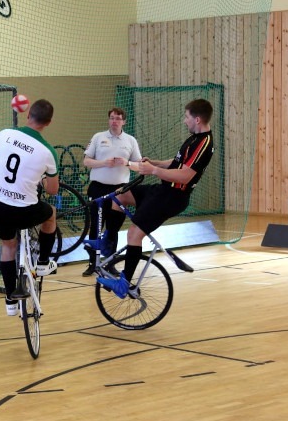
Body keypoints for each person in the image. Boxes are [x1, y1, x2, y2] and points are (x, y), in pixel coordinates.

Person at [103, 99, 215, 296]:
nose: (184, 121)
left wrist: (153, 170)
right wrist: (155, 163)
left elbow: (185, 175)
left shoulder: (204, 143)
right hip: (163, 190)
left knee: (134, 234)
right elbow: (176, 162)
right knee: (120, 195)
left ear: (197, 119)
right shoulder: (194, 138)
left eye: (187, 117)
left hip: (173, 197)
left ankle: (125, 283)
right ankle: (107, 243)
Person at [0, 99, 60, 316]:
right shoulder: (47, 152)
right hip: (25, 211)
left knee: (8, 247)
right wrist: (40, 180)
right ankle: (43, 262)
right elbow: (52, 190)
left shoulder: (4, 134)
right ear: (48, 123)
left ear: (28, 115)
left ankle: (10, 300)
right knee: (50, 214)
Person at [81, 107, 142, 276]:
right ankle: (93, 262)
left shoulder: (130, 141)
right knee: (96, 225)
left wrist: (126, 162)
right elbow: (86, 161)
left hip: (120, 191)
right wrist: (103, 163)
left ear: (124, 121)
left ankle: (110, 263)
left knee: (113, 227)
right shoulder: (98, 137)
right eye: (112, 118)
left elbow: (139, 166)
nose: (114, 121)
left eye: (118, 118)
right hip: (98, 187)